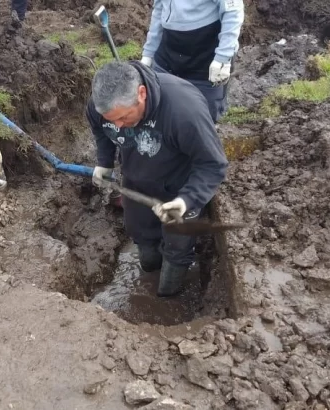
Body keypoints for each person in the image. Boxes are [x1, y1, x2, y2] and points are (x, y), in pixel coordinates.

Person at [87, 61, 228, 297]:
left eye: (123, 117)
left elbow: (213, 164)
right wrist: (104, 161)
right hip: (137, 183)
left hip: (180, 187)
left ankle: (167, 298)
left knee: (176, 248)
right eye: (112, 120)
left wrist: (187, 200)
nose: (118, 126)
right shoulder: (102, 106)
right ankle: (150, 273)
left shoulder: (184, 111)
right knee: (143, 240)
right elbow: (101, 131)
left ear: (141, 94)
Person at [140, 0, 244, 123]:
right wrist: (149, 53)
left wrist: (223, 57)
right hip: (167, 57)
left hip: (205, 59)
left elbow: (232, 11)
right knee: (163, 114)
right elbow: (159, 10)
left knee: (202, 119)